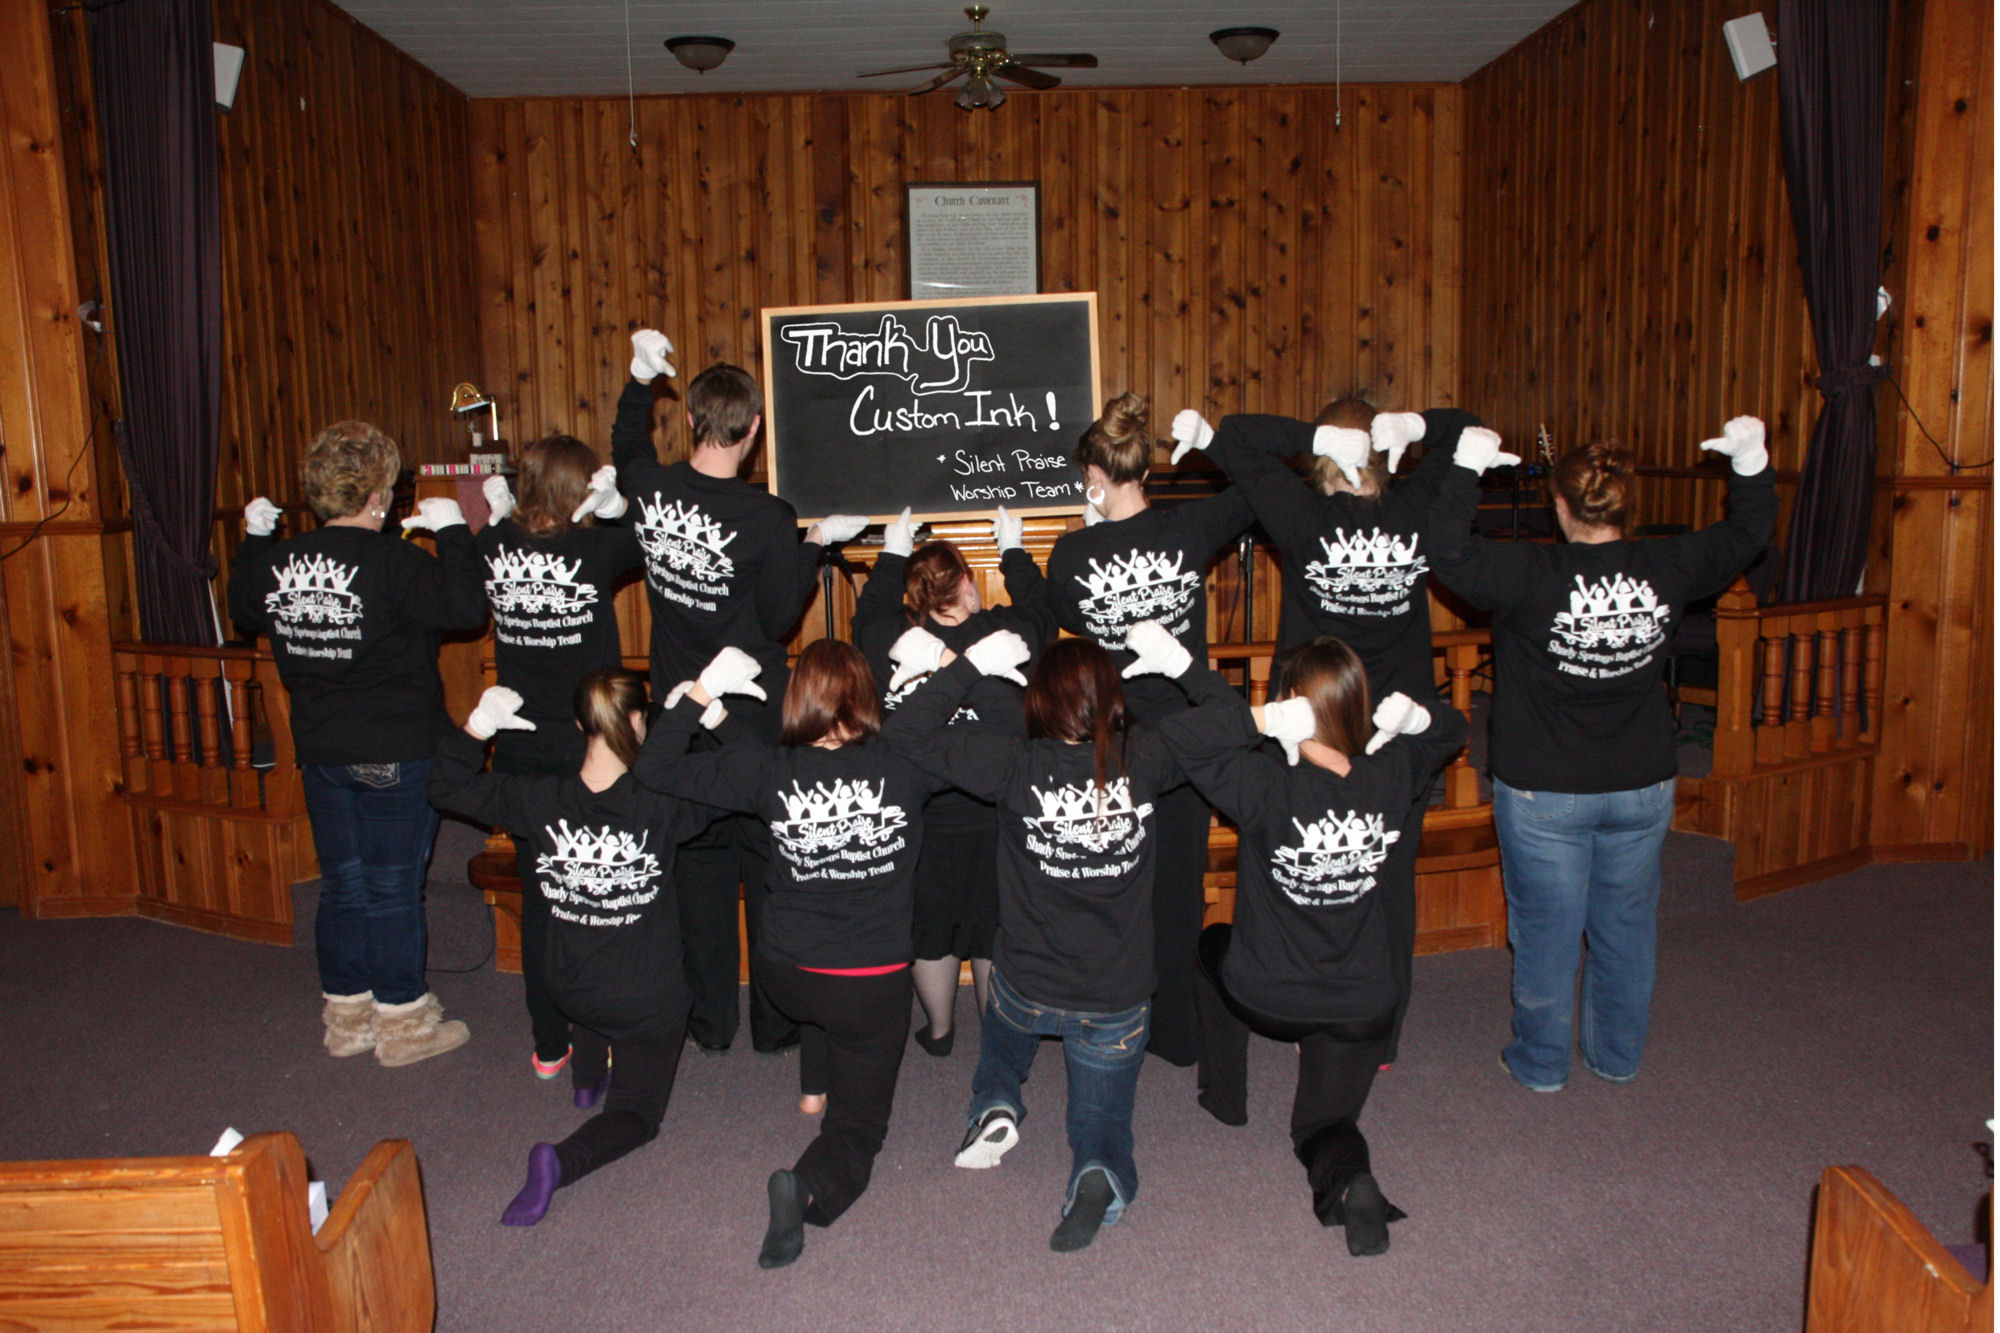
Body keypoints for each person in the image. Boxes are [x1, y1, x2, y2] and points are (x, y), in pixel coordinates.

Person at [1426, 419, 1777, 1092]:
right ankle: (1616, 1057)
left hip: (1544, 791)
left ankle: (1541, 1064)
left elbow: (1445, 547)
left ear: (1560, 506)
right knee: (1625, 927)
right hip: (1641, 785)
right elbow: (1750, 530)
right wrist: (1752, 463)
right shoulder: (1670, 565)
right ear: (1626, 505)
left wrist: (1465, 467)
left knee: (1546, 933)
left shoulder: (1526, 572)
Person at [881, 622, 1235, 1253]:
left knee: (1000, 1027)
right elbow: (1234, 720)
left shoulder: (1013, 763)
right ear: (1112, 699)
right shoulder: (1148, 756)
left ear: (1037, 701)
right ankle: (1097, 1171)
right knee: (1102, 1119)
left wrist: (966, 665)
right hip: (1118, 998)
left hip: (1027, 986)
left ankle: (996, 1105)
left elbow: (904, 732)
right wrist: (1181, 664)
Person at [1168, 396, 1483, 1063]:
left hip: (1308, 724)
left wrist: (1313, 436)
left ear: (1323, 459)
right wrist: (1418, 427)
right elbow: (1470, 430)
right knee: (1385, 878)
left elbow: (1238, 434)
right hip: (1397, 729)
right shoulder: (1414, 505)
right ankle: (1377, 1033)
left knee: (1296, 867)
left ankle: (1298, 1007)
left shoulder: (1302, 513)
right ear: (1382, 448)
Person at [633, 641, 941, 1270]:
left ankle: (813, 1085)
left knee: (829, 1009)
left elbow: (653, 768)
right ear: (866, 697)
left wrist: (703, 697)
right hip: (869, 983)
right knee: (858, 1130)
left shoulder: (770, 770)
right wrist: (944, 676)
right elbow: (996, 744)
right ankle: (805, 1186)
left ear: (795, 700)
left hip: (785, 976)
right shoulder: (905, 761)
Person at [1155, 638, 1468, 1255]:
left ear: (1291, 703)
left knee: (1211, 943)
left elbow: (1178, 737)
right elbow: (1454, 729)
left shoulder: (1263, 784)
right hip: (1364, 1007)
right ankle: (1349, 1182)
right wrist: (1418, 720)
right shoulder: (1392, 773)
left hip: (1270, 996)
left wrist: (1261, 720)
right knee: (1324, 1126)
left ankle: (1226, 1099)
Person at [610, 330, 865, 1056]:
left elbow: (628, 447)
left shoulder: (650, 489)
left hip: (681, 712)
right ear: (754, 429)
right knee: (767, 862)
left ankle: (711, 1022)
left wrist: (638, 381)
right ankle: (776, 1026)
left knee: (698, 868)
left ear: (691, 420)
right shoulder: (768, 518)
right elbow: (781, 615)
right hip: (751, 716)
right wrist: (815, 542)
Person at [227, 420, 487, 1067]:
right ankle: (404, 1026)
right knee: (392, 890)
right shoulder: (396, 561)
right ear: (378, 496)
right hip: (396, 749)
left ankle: (347, 1020)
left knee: (344, 885)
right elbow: (465, 609)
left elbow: (244, 608)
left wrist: (254, 541)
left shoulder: (282, 561)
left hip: (322, 751)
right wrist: (454, 531)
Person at [428, 671, 720, 1226]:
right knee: (638, 1116)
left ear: (580, 724)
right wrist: (703, 720)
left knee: (593, 950)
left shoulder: (537, 796)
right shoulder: (664, 801)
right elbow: (741, 779)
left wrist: (478, 728)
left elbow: (443, 788)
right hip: (643, 1000)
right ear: (638, 722)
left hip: (567, 988)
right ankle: (561, 1161)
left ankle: (587, 1079)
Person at [1042, 392, 1253, 1067]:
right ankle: (1177, 1033)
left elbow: (1066, 612)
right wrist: (1217, 446)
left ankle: (1113, 1018)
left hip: (1117, 739)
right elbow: (1262, 490)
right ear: (1146, 469)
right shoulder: (1191, 527)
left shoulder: (1071, 555)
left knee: (1114, 883)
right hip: (1190, 733)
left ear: (1094, 476)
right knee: (1178, 884)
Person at [850, 504, 1058, 1055]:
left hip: (921, 812)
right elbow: (1044, 613)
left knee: (930, 923)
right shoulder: (1007, 631)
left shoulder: (893, 637)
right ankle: (995, 1034)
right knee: (993, 923)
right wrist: (1013, 550)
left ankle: (940, 1030)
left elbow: (865, 617)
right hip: (996, 808)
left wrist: (892, 552)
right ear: (967, 583)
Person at [474, 434, 641, 1087]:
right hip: (588, 747)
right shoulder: (594, 548)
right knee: (601, 890)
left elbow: (483, 546)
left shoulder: (495, 544)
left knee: (544, 901)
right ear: (580, 488)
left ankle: (549, 1044)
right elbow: (645, 541)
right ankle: (602, 1038)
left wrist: (494, 520)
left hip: (518, 746)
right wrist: (616, 508)